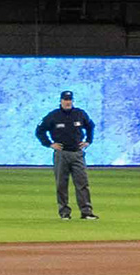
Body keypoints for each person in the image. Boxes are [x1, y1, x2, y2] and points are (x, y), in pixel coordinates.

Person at [37, 89, 98, 220]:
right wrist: (49, 143)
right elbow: (40, 130)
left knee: (82, 183)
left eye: (69, 100)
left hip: (77, 153)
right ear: (61, 101)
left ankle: (86, 211)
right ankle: (64, 212)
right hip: (61, 153)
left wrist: (88, 141)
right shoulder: (54, 115)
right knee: (61, 184)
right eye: (65, 100)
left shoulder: (80, 114)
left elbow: (90, 126)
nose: (67, 102)